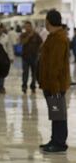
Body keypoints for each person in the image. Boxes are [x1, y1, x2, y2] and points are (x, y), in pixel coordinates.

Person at [38, 10, 70, 153]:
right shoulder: (53, 37)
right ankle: (54, 139)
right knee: (55, 112)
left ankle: (59, 142)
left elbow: (55, 65)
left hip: (55, 85)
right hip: (50, 83)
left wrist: (54, 87)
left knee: (58, 114)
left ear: (49, 21)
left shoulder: (59, 39)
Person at [20, 21, 43, 94]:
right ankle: (24, 86)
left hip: (34, 57)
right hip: (25, 57)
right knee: (25, 73)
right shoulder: (23, 35)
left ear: (31, 27)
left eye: (28, 26)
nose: (27, 28)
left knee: (34, 73)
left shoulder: (36, 35)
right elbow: (22, 43)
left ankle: (33, 86)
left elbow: (41, 43)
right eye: (26, 26)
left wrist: (39, 51)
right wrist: (29, 36)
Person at [0, 23, 14, 94]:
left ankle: (1, 87)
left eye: (0, 28)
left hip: (3, 58)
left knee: (2, 72)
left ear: (3, 28)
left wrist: (11, 57)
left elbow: (9, 48)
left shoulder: (6, 37)